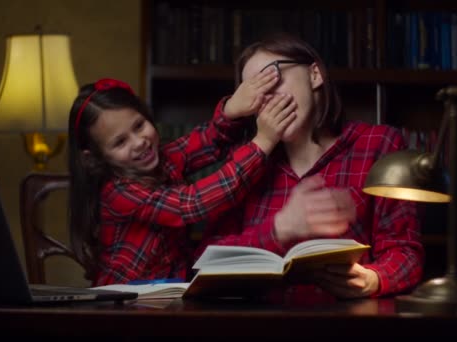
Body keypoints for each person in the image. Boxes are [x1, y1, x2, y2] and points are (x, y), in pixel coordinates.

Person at [198, 32, 424, 300]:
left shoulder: (378, 144)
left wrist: (373, 279)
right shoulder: (243, 164)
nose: (266, 98)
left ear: (315, 75)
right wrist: (277, 230)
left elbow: (405, 251)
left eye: (271, 78)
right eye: (253, 92)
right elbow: (205, 259)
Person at [67, 76, 298, 286]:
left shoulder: (165, 157)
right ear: (95, 158)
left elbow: (208, 139)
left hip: (169, 292)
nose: (139, 142)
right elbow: (192, 203)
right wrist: (263, 142)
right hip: (122, 303)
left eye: (139, 126)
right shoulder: (117, 191)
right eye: (120, 142)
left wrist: (231, 109)